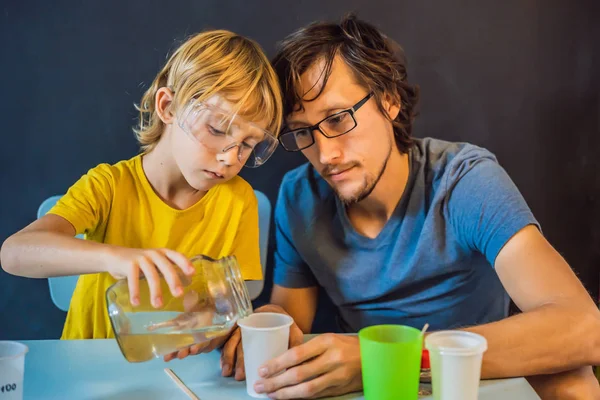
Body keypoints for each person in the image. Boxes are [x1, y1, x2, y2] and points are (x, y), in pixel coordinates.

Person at [217, 15, 600, 399]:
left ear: (390, 101)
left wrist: (388, 357)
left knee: (575, 382)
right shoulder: (300, 196)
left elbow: (585, 328)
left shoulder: (464, 182)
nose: (325, 154)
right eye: (303, 132)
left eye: (337, 119)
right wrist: (267, 322)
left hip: (471, 380)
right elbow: (293, 319)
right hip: (372, 387)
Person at [0, 30, 282, 344]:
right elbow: (14, 253)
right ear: (168, 107)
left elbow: (227, 303)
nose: (230, 158)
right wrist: (114, 258)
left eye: (247, 145)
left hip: (176, 367)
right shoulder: (108, 186)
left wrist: (207, 322)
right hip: (88, 362)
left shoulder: (238, 200)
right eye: (216, 129)